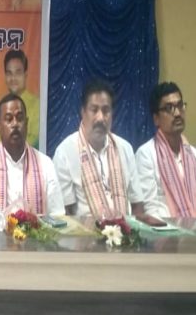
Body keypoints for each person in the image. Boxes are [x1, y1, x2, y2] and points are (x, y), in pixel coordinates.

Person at [53, 80, 143, 219]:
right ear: (83, 112)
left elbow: (137, 204)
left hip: (126, 229)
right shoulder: (65, 152)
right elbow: (66, 213)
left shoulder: (125, 148)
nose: (100, 118)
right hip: (84, 231)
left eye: (106, 111)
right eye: (94, 110)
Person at [0, 94, 64, 215]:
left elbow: (57, 216)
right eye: (9, 119)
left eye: (20, 118)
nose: (15, 124)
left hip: (37, 228)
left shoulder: (45, 165)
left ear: (26, 124)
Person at [136, 82, 196, 218]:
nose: (177, 113)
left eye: (180, 105)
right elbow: (149, 209)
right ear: (156, 119)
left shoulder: (193, 154)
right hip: (164, 229)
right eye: (169, 108)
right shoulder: (146, 154)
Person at [3, 49, 39, 148]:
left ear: (25, 75)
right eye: (9, 73)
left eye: (18, 73)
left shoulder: (37, 106)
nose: (13, 78)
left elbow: (34, 141)